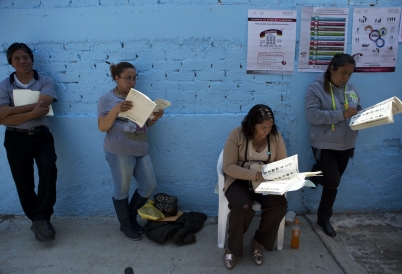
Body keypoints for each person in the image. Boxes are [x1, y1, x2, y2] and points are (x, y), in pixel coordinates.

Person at [97, 62, 164, 241]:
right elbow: (102, 127)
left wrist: (154, 117)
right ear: (116, 78)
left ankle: (131, 217)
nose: (132, 82)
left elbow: (145, 123)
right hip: (119, 151)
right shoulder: (107, 99)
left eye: (134, 78)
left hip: (140, 149)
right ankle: (125, 225)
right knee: (122, 189)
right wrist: (116, 109)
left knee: (149, 185)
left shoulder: (139, 97)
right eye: (128, 78)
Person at [0, 42, 58, 242]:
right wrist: (31, 113)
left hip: (41, 135)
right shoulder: (4, 85)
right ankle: (38, 221)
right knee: (23, 182)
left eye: (25, 57)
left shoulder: (46, 80)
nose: (22, 61)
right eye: (17, 58)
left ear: (31, 59)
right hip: (15, 138)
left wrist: (10, 110)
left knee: (49, 170)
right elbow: (0, 117)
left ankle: (41, 217)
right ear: (11, 62)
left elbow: (44, 105)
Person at [222, 104, 288, 269]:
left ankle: (257, 242)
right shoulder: (237, 134)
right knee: (242, 207)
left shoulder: (276, 137)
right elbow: (228, 166)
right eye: (263, 127)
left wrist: (287, 176)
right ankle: (232, 247)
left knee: (279, 205)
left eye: (270, 126)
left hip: (265, 182)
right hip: (239, 180)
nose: (267, 130)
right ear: (252, 125)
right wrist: (256, 175)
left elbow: (282, 163)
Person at [305, 53, 361, 237]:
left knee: (332, 185)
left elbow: (356, 108)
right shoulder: (315, 88)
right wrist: (341, 115)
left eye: (350, 74)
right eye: (343, 73)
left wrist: (365, 116)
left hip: (347, 144)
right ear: (332, 68)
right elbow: (313, 116)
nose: (346, 78)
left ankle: (323, 219)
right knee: (332, 181)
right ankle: (315, 173)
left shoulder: (351, 88)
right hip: (324, 143)